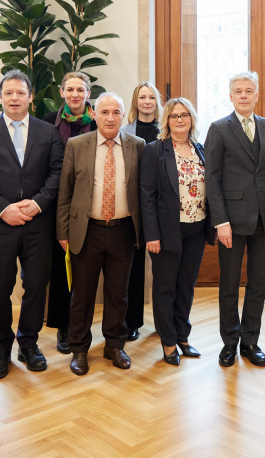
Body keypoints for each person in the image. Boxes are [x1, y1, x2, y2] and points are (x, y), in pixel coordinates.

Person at [0, 70, 64, 380]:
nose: (14, 98)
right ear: (0, 97)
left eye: (20, 93)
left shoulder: (48, 132)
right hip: (0, 224)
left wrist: (37, 204)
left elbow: (56, 173)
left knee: (36, 285)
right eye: (8, 93)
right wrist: (3, 209)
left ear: (30, 97)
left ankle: (29, 343)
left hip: (38, 223)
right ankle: (1, 347)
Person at [56, 93, 145, 376]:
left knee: (118, 294)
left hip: (123, 230)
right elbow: (64, 191)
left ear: (122, 116)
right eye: (104, 111)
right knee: (82, 295)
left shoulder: (137, 146)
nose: (110, 117)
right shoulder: (76, 145)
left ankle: (114, 346)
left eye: (116, 112)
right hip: (87, 230)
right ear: (94, 114)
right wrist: (62, 231)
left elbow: (143, 192)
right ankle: (79, 349)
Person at [205, 71, 265, 368]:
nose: (243, 95)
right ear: (230, 95)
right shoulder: (218, 129)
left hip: (264, 219)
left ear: (256, 94)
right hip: (231, 221)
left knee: (258, 284)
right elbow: (211, 180)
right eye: (238, 90)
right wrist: (220, 221)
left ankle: (251, 341)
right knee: (229, 284)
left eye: (248, 90)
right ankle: (229, 343)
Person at [140, 98, 215, 366]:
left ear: (192, 119)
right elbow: (146, 196)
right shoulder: (155, 150)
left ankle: (183, 335)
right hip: (166, 231)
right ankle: (168, 340)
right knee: (165, 288)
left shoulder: (200, 149)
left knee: (186, 286)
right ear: (167, 121)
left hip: (196, 228)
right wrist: (152, 235)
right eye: (174, 116)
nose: (180, 120)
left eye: (185, 115)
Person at [43, 71, 97, 354]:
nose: (75, 94)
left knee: (85, 269)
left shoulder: (101, 122)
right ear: (62, 93)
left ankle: (82, 326)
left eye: (80, 89)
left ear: (88, 93)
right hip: (57, 205)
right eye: (70, 89)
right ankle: (63, 328)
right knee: (59, 268)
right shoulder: (47, 122)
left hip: (91, 205)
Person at [119, 81, 163, 341]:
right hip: (133, 210)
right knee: (133, 269)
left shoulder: (166, 131)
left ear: (157, 103)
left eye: (152, 98)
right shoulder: (124, 131)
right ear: (135, 102)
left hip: (161, 209)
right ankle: (132, 321)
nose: (147, 102)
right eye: (142, 97)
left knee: (163, 270)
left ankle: (163, 321)